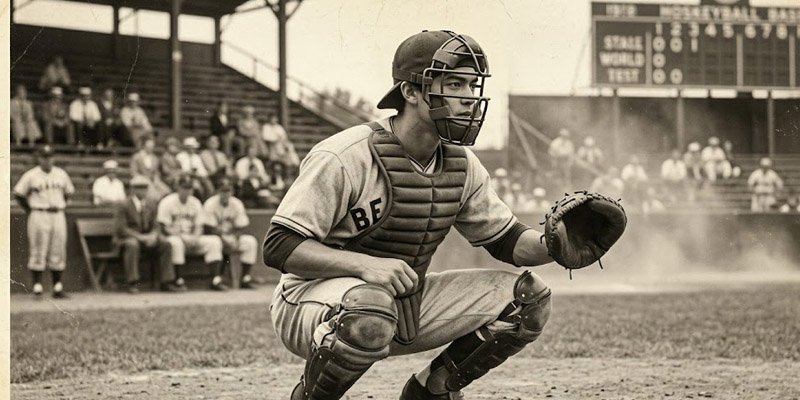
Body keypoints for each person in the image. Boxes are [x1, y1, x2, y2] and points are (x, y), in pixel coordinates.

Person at [265, 31, 559, 400]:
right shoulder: (346, 155)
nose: (468, 98)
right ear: (410, 92)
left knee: (527, 298)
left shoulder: (461, 164)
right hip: (310, 303)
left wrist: (557, 244)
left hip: (404, 304)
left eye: (472, 85)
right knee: (370, 307)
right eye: (454, 83)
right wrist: (363, 266)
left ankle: (431, 391)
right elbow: (278, 246)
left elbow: (508, 241)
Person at [13, 145, 75, 298]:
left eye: (50, 157)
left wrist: (61, 204)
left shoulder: (61, 174)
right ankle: (37, 287)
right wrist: (30, 209)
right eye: (44, 157)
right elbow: (19, 194)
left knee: (58, 249)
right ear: (39, 158)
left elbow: (68, 192)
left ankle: (57, 287)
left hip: (58, 213)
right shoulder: (31, 175)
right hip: (39, 213)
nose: (47, 160)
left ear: (53, 158)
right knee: (38, 249)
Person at [156, 174, 226, 291]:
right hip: (175, 236)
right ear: (177, 187)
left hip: (192, 237)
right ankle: (178, 279)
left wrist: (195, 237)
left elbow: (199, 225)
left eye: (189, 188)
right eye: (184, 187)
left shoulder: (195, 202)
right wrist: (182, 237)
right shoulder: (167, 202)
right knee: (175, 243)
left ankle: (215, 279)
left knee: (214, 241)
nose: (187, 191)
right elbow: (165, 227)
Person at [114, 175, 179, 293]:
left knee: (165, 244)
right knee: (132, 244)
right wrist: (141, 237)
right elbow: (121, 229)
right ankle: (132, 282)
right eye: (139, 188)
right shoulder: (123, 205)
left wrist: (153, 235)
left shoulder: (151, 204)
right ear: (132, 190)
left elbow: (156, 225)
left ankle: (166, 281)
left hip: (146, 239)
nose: (142, 191)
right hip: (126, 240)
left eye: (144, 188)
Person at [202, 178, 259, 289]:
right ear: (218, 191)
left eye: (228, 190)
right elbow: (210, 228)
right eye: (223, 191)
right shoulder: (210, 204)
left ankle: (245, 278)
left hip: (231, 237)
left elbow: (240, 226)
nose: (226, 193)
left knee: (250, 242)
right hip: (215, 237)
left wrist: (235, 240)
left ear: (232, 191)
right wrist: (226, 241)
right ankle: (215, 280)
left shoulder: (236, 203)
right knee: (215, 242)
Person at [130, 136, 171, 202]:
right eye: (148, 146)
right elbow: (133, 172)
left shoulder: (154, 158)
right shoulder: (136, 157)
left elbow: (156, 172)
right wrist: (144, 179)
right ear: (144, 146)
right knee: (153, 193)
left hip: (153, 180)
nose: (151, 148)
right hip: (141, 180)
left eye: (152, 146)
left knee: (166, 190)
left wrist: (156, 178)